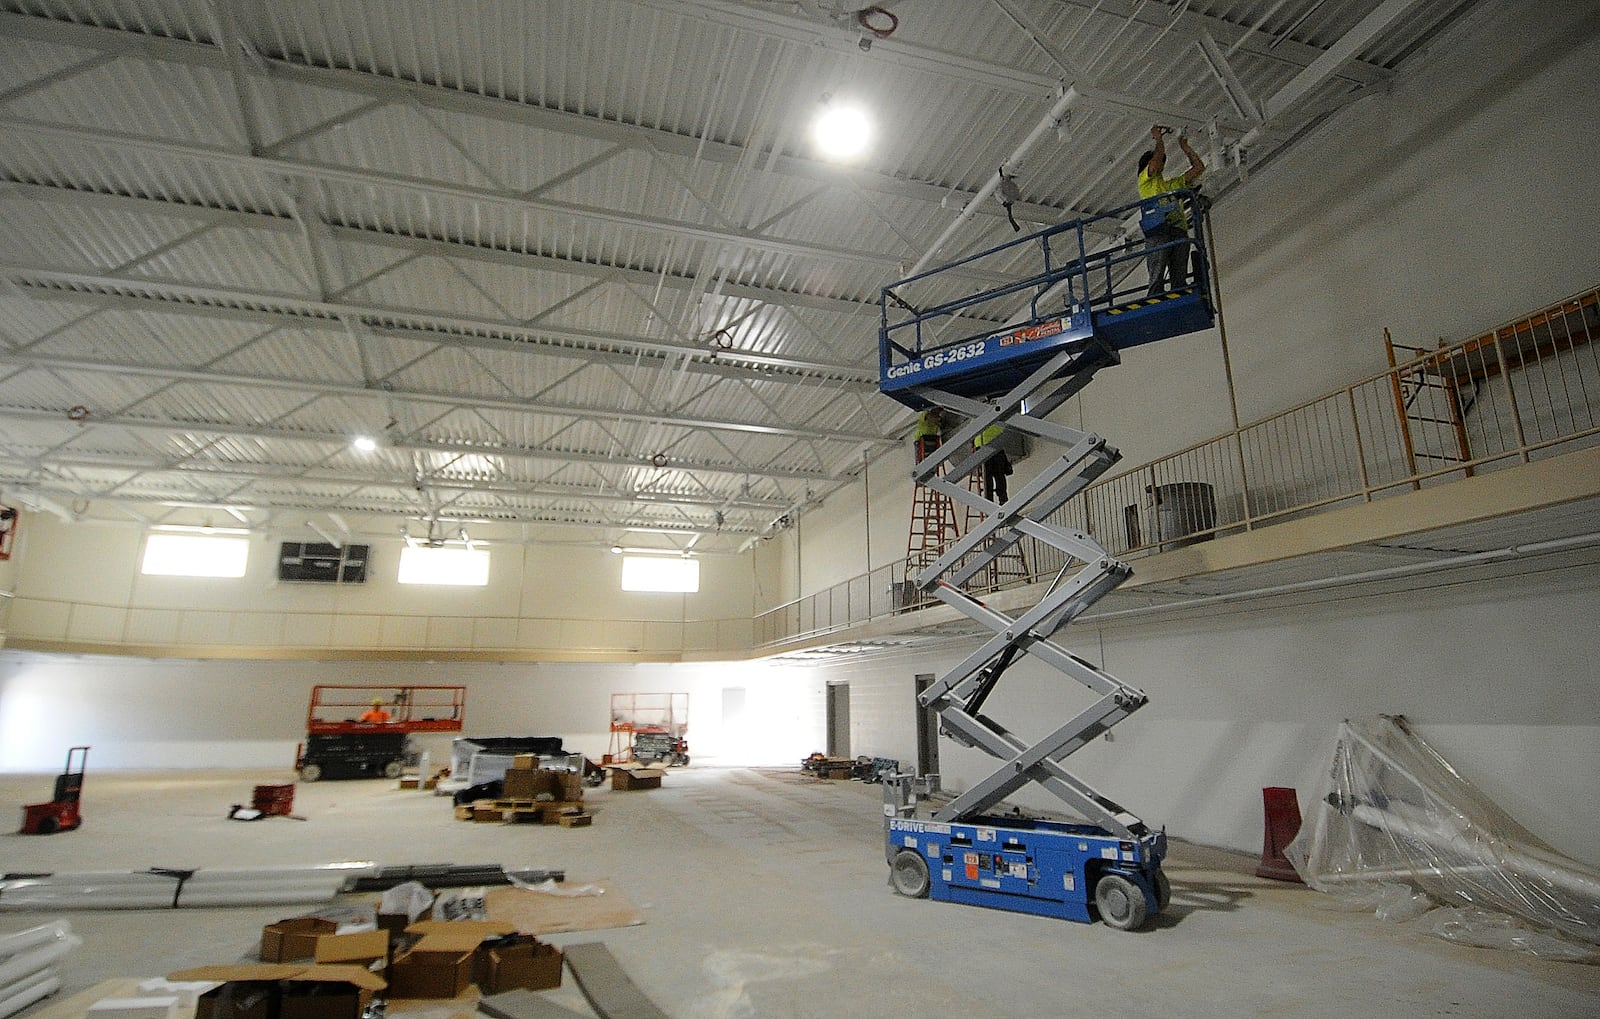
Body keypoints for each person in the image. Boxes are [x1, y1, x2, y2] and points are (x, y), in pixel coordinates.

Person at [1137, 124, 1205, 297]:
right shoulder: (1145, 181)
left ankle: (1178, 292)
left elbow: (1198, 168)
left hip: (1178, 230)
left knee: (1179, 273)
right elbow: (1156, 161)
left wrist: (1185, 147)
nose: (1161, 164)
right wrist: (1159, 139)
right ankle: (1155, 297)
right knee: (1157, 273)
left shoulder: (1172, 186)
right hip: (1157, 230)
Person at [974, 422, 1012, 504]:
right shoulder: (996, 415)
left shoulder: (977, 416)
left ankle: (989, 500)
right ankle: (1003, 499)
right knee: (999, 474)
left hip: (982, 446)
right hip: (996, 445)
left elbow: (972, 429)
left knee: (987, 476)